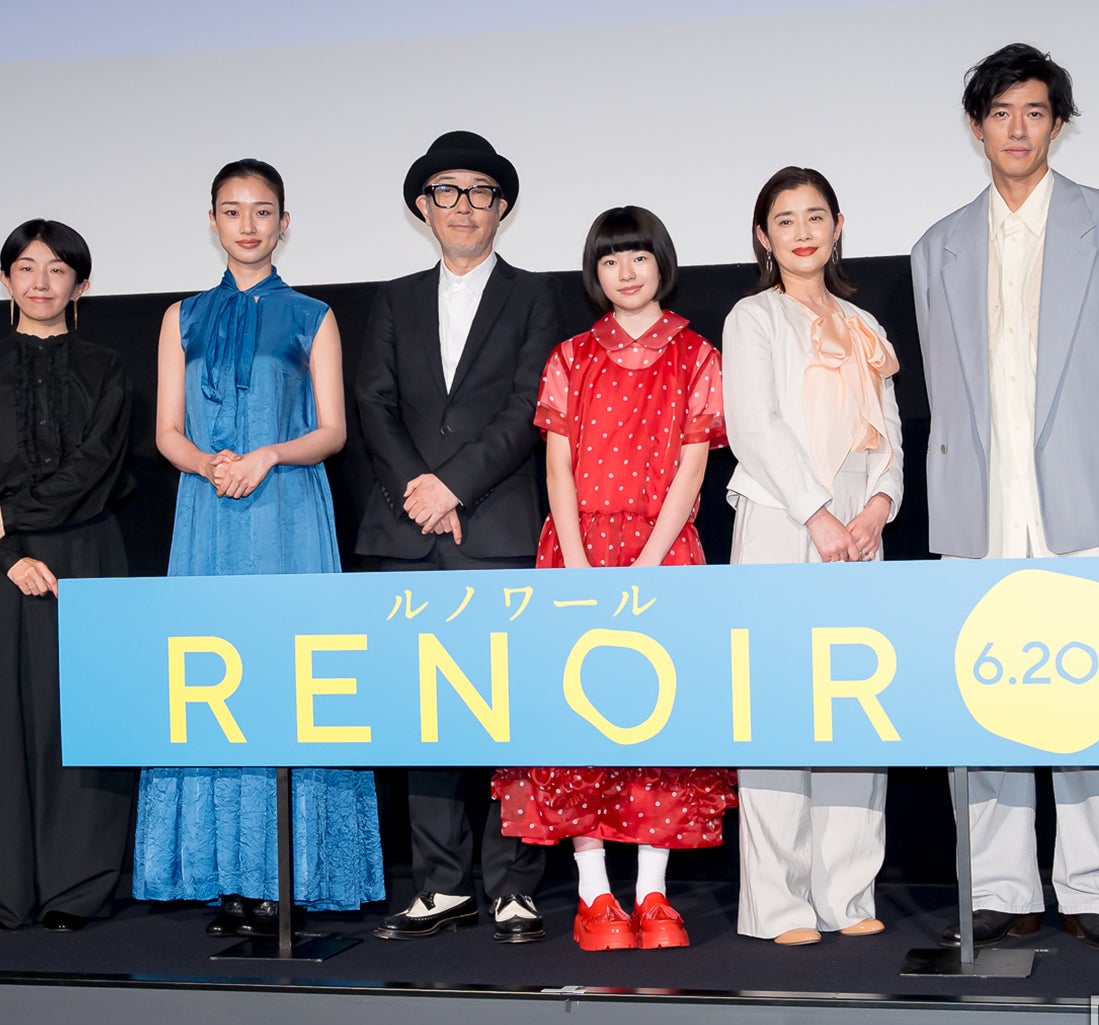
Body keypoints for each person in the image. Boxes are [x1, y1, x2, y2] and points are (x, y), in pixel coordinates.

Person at [910, 43, 1099, 952]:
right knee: (982, 703)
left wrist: (1090, 457)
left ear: (1059, 123)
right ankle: (1000, 887)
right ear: (976, 126)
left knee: (1096, 699)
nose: (1018, 129)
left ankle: (1094, 886)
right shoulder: (937, 246)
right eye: (1001, 113)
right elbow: (944, 391)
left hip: (1083, 503)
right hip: (976, 509)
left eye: (1036, 111)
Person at [132, 159, 384, 937]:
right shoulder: (180, 317)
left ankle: (291, 877)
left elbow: (333, 430)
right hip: (207, 515)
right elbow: (166, 431)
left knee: (289, 676)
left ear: (284, 222)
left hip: (288, 513)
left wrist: (267, 455)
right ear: (212, 221)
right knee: (211, 677)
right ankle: (224, 878)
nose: (248, 224)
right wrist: (207, 464)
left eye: (263, 210)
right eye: (233, 210)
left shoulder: (313, 315)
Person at [490, 206, 736, 951]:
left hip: (666, 555)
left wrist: (647, 565)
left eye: (638, 257)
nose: (626, 273)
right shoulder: (570, 357)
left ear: (661, 262)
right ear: (594, 274)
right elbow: (557, 466)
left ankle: (653, 892)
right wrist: (578, 566)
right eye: (609, 260)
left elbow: (693, 468)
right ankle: (594, 895)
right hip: (577, 553)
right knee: (577, 720)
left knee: (661, 718)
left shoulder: (697, 354)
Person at [356, 131, 560, 944]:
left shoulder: (534, 295)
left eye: (480, 191)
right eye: (447, 190)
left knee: (512, 714)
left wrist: (455, 486)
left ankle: (512, 884)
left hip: (496, 528)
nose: (464, 205)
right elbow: (373, 403)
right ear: (424, 207)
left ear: (501, 207)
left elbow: (527, 406)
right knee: (423, 716)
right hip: (408, 533)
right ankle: (440, 885)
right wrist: (421, 490)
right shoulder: (394, 297)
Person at [723, 167, 904, 946]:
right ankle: (779, 904)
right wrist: (816, 513)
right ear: (763, 236)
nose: (803, 231)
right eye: (785, 219)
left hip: (858, 533)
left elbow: (890, 431)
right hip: (780, 521)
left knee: (855, 707)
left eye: (816, 216)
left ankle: (848, 892)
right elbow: (753, 424)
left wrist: (878, 505)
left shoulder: (863, 323)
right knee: (776, 709)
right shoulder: (753, 317)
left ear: (837, 227)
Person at [0, 219, 135, 932]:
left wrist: (11, 515)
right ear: (5, 280)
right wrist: (8, 551)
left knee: (82, 717)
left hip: (85, 554)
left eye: (57, 269)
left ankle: (76, 891)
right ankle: (8, 894)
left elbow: (96, 468)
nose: (41, 281)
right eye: (26, 267)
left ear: (81, 285)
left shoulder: (107, 367)